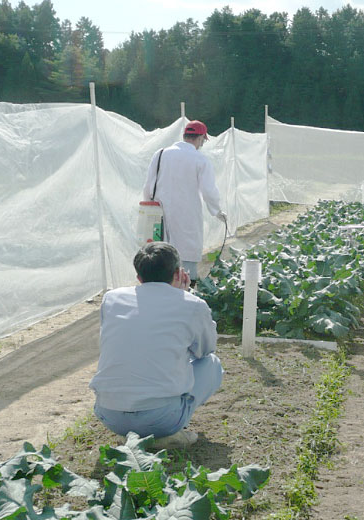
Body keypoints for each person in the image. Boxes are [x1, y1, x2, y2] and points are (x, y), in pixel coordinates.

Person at [89, 241, 223, 448]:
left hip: (110, 415)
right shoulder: (191, 305)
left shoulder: (111, 299)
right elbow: (205, 349)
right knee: (211, 364)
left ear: (139, 277)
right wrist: (185, 295)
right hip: (161, 419)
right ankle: (165, 434)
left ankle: (133, 434)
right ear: (179, 274)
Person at [143, 120, 227, 285]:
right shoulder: (199, 159)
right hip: (187, 215)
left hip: (160, 214)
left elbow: (148, 187)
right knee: (186, 258)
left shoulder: (160, 154)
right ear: (201, 137)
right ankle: (186, 290)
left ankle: (159, 288)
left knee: (159, 254)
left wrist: (150, 208)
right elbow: (209, 191)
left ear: (185, 136)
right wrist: (217, 211)